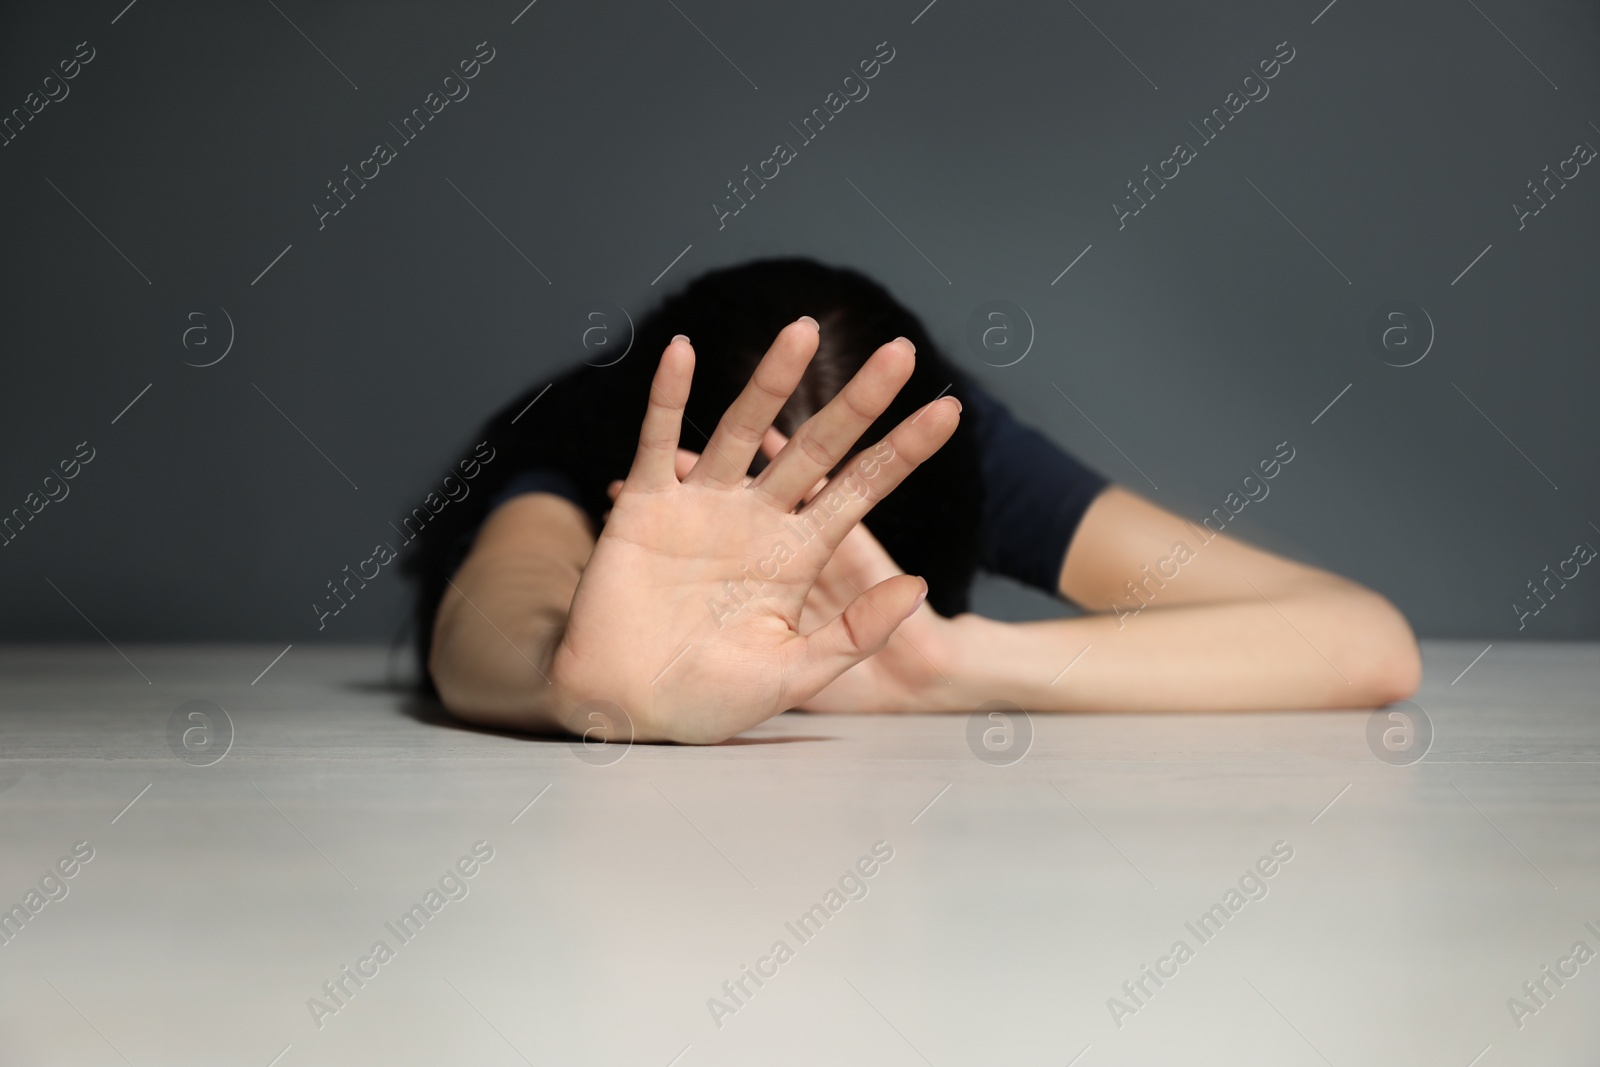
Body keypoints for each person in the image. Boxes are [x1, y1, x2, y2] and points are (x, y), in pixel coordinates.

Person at [403, 258, 1420, 743]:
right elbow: (488, 622)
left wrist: (949, 662)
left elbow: (1363, 640)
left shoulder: (952, 444)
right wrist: (580, 679)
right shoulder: (577, 451)